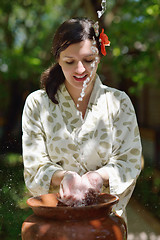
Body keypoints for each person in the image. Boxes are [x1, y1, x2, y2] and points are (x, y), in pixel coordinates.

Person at [22, 17, 142, 221]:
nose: (80, 70)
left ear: (100, 57)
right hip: (57, 220)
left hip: (105, 221)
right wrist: (65, 178)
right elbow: (35, 165)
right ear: (58, 59)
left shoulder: (119, 102)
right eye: (70, 61)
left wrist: (97, 178)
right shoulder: (37, 104)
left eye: (88, 60)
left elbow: (128, 161)